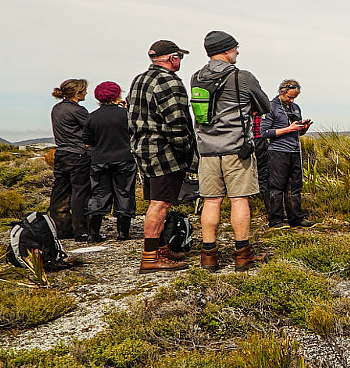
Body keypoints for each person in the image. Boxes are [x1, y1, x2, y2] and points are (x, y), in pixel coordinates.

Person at [191, 30, 270, 271]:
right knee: (239, 200)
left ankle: (208, 256)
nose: (237, 52)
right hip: (237, 149)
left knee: (211, 201)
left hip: (206, 150)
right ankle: (242, 254)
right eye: (235, 48)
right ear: (226, 50)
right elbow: (264, 105)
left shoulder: (196, 77)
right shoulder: (242, 77)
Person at [127, 39, 196, 273]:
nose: (180, 62)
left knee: (156, 201)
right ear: (171, 58)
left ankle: (161, 248)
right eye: (180, 57)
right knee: (160, 204)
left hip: (143, 149)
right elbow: (177, 121)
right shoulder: (169, 81)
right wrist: (184, 152)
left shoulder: (140, 79)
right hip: (164, 152)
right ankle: (150, 256)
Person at [258, 78, 314, 229]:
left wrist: (303, 128)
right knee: (276, 187)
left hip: (294, 151)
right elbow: (264, 132)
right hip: (277, 151)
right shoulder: (270, 107)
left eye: (294, 97)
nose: (291, 100)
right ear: (281, 92)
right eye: (289, 97)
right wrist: (288, 129)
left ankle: (296, 219)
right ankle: (275, 220)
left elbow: (298, 132)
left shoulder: (295, 107)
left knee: (295, 187)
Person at [84, 82, 136, 241]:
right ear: (117, 95)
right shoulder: (126, 115)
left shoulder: (92, 117)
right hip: (124, 159)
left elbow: (88, 142)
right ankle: (123, 233)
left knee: (99, 194)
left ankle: (93, 233)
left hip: (99, 160)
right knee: (124, 193)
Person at [49, 79, 94, 241]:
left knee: (60, 192)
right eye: (84, 90)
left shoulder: (57, 109)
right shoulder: (78, 110)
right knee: (80, 192)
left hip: (61, 154)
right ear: (77, 93)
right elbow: (92, 129)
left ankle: (60, 228)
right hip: (79, 155)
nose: (86, 93)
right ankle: (81, 229)